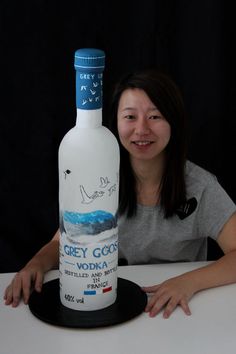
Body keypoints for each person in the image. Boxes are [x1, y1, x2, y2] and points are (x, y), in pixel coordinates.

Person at [4, 70, 236, 318]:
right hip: (117, 300)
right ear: (115, 121)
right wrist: (36, 264)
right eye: (130, 117)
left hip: (179, 309)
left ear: (174, 121)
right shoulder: (99, 180)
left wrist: (189, 283)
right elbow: (63, 241)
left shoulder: (201, 186)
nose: (141, 129)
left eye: (155, 116)